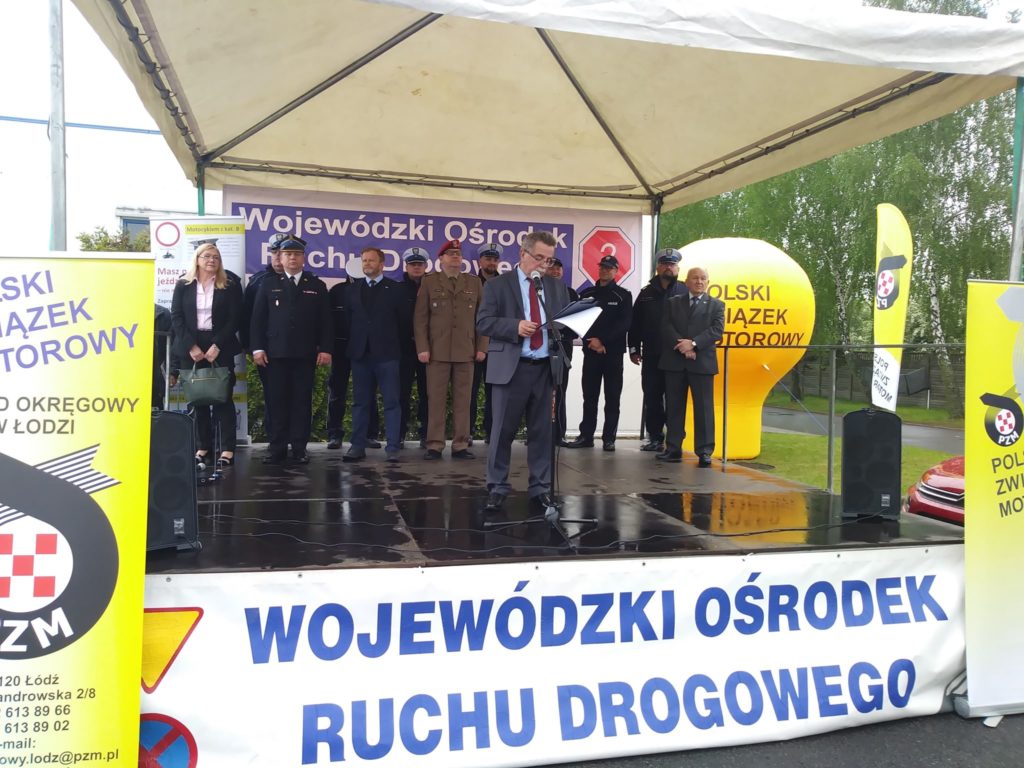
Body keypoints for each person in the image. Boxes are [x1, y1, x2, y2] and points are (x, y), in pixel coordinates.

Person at [477, 231, 570, 512]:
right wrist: (514, 326)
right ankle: (497, 487)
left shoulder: (556, 287)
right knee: (502, 432)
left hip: (544, 369)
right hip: (512, 368)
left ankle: (540, 488)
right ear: (522, 254)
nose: (544, 264)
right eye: (539, 257)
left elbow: (562, 322)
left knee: (542, 433)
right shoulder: (497, 285)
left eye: (549, 260)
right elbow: (483, 322)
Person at [250, 236, 332, 464]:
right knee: (276, 401)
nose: (292, 258)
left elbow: (326, 321)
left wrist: (326, 348)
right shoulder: (268, 284)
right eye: (287, 254)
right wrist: (257, 348)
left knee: (301, 402)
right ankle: (276, 447)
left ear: (304, 258)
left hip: (305, 354)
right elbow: (257, 320)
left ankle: (299, 448)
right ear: (281, 257)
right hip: (275, 354)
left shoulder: (316, 285)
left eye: (296, 254)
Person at [171, 243, 243, 467]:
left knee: (223, 399)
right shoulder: (183, 284)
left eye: (216, 257)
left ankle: (227, 449)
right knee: (197, 400)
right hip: (190, 347)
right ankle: (203, 447)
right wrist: (191, 346)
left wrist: (217, 345)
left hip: (219, 345)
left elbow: (235, 318)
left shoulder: (228, 285)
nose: (212, 260)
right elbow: (176, 317)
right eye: (207, 256)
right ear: (197, 259)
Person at [415, 239, 487, 460]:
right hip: (437, 351)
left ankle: (460, 444)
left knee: (464, 401)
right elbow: (420, 319)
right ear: (441, 259)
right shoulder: (429, 282)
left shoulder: (474, 282)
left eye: (458, 253)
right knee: (435, 400)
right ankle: (434, 445)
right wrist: (423, 347)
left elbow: (482, 318)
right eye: (451, 254)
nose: (455, 257)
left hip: (466, 350)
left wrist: (482, 346)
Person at [343, 246, 409, 463]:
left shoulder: (396, 289)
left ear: (382, 264)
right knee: (360, 403)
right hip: (361, 354)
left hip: (387, 354)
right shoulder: (353, 290)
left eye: (371, 260)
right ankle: (357, 445)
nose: (367, 264)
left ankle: (392, 447)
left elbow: (404, 322)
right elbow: (348, 321)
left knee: (392, 402)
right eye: (364, 261)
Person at [564, 254, 633, 451]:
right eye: (602, 267)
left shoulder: (623, 295)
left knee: (612, 397)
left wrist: (602, 340)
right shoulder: (587, 293)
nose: (605, 270)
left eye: (609, 268)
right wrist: (591, 340)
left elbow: (624, 324)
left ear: (616, 271)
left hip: (612, 354)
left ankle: (609, 438)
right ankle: (586, 436)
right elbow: (579, 320)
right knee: (590, 396)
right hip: (591, 352)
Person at [659, 265, 725, 466]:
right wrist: (683, 346)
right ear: (686, 282)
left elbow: (716, 331)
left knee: (704, 409)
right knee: (674, 408)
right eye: (695, 278)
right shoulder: (673, 303)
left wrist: (694, 344)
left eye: (703, 278)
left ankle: (704, 451)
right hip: (675, 362)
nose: (699, 281)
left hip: (702, 364)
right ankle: (673, 448)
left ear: (708, 282)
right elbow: (666, 326)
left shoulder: (717, 305)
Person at [628, 248, 686, 452]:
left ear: (677, 268)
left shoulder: (685, 291)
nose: (668, 267)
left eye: (672, 264)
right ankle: (655, 438)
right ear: (658, 267)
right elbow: (635, 323)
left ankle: (675, 441)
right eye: (664, 264)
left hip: (676, 356)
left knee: (675, 400)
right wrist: (634, 349)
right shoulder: (646, 293)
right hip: (652, 355)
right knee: (652, 397)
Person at [325, 276, 380, 450]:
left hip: (364, 347)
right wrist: (327, 346)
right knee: (337, 391)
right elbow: (327, 320)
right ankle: (334, 434)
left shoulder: (373, 289)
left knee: (368, 391)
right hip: (340, 347)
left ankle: (370, 434)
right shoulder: (337, 291)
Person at [242, 233, 286, 438]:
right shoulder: (258, 281)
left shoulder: (305, 281)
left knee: (297, 396)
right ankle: (275, 440)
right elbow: (247, 317)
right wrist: (250, 347)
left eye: (282, 252)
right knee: (272, 395)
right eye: (274, 252)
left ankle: (296, 442)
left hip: (296, 350)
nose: (278, 257)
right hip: (267, 351)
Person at [469, 242, 502, 443]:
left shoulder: (505, 284)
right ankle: (468, 432)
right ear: (480, 261)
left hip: (497, 346)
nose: (492, 262)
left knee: (495, 393)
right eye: (488, 259)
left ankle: (492, 432)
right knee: (470, 392)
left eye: (495, 259)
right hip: (473, 345)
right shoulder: (470, 283)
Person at [399, 247, 430, 448]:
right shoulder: (397, 288)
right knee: (401, 393)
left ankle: (426, 434)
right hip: (404, 349)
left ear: (426, 266)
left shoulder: (434, 287)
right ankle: (399, 434)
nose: (416, 267)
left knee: (427, 394)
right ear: (406, 266)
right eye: (413, 264)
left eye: (420, 264)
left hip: (428, 349)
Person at [546, 256, 578, 444]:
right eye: (552, 268)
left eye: (558, 268)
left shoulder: (571, 293)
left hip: (562, 347)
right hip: (541, 347)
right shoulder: (537, 291)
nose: (555, 271)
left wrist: (562, 333)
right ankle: (537, 433)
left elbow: (576, 324)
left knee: (560, 390)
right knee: (540, 392)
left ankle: (559, 434)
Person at [153, 303, 175, 409]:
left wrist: (172, 372)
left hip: (154, 380)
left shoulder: (163, 314)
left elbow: (172, 347)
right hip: (123, 380)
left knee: (155, 414)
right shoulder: (116, 313)